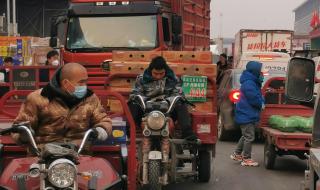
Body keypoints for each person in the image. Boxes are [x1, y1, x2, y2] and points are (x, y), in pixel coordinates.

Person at [12, 63, 112, 145]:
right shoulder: (37, 98)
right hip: (43, 157)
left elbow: (104, 120)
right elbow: (19, 127)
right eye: (81, 82)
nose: (84, 86)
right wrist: (23, 135)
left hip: (80, 156)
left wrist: (101, 130)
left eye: (86, 82)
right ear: (65, 83)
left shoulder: (90, 98)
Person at [128, 56, 197, 140]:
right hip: (146, 110)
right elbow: (136, 92)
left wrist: (167, 101)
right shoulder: (141, 79)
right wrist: (144, 100)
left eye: (161, 73)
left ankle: (187, 133)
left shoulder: (173, 79)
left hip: (168, 110)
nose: (158, 76)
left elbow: (178, 93)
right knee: (133, 103)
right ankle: (127, 131)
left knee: (181, 102)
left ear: (166, 71)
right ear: (150, 70)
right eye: (155, 73)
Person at [230, 61, 264, 166]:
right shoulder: (249, 83)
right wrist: (261, 104)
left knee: (245, 136)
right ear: (255, 71)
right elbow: (254, 98)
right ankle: (246, 158)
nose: (261, 73)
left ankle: (237, 154)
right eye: (260, 71)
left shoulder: (250, 82)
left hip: (246, 114)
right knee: (249, 137)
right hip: (246, 114)